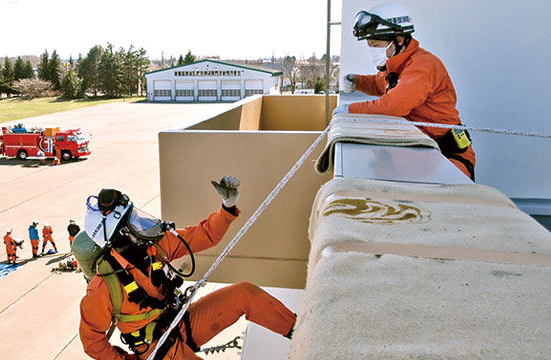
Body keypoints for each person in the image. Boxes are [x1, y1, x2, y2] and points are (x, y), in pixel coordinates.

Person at [78, 176, 296, 360]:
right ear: (121, 237)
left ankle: (301, 331)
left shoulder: (155, 248)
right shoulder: (104, 287)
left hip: (181, 321)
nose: (141, 223)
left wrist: (226, 208)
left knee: (244, 293)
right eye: (132, 221)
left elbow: (204, 236)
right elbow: (92, 340)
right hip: (159, 348)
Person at [337, 3, 476, 181]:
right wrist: (358, 81)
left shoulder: (422, 66)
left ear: (399, 40)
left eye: (376, 45)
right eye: (370, 45)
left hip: (448, 160)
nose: (372, 51)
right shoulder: (398, 65)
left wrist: (349, 111)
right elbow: (380, 84)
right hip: (420, 154)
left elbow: (394, 105)